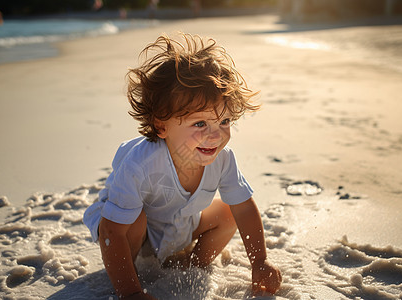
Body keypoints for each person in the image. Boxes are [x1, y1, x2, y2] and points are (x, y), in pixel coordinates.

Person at [83, 33, 282, 299]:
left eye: (224, 122)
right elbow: (111, 230)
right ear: (161, 126)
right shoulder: (140, 164)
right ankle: (129, 276)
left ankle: (191, 264)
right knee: (134, 220)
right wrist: (130, 293)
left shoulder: (223, 159)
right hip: (132, 232)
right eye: (200, 124)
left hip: (180, 224)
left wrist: (259, 261)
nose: (216, 135)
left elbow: (244, 207)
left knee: (228, 212)